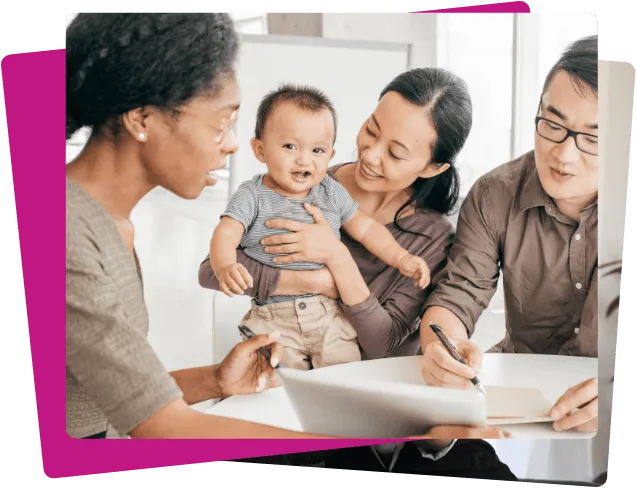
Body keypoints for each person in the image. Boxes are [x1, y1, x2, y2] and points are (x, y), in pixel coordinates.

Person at [64, 12, 506, 449]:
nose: (237, 144)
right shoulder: (69, 233)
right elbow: (161, 426)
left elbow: (111, 399)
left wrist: (215, 380)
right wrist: (411, 432)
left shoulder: (105, 223)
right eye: (222, 123)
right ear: (142, 119)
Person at [198, 67, 516, 480]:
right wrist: (312, 281)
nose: (369, 154)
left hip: (375, 404)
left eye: (396, 153)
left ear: (432, 168)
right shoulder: (302, 182)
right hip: (292, 386)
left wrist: (338, 260)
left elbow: (382, 343)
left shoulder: (431, 237)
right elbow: (212, 272)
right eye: (371, 129)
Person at [418, 35, 600, 434]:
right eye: (553, 124)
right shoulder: (494, 194)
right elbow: (458, 294)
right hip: (516, 398)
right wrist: (439, 347)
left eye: (593, 138)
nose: (563, 155)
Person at [211, 84, 430, 371]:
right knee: (281, 385)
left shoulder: (330, 191)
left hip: (330, 315)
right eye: (290, 146)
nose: (304, 159)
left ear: (330, 155)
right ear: (260, 149)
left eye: (317, 150)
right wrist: (226, 265)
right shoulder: (252, 195)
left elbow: (365, 229)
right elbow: (227, 232)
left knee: (343, 378)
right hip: (273, 315)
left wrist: (401, 257)